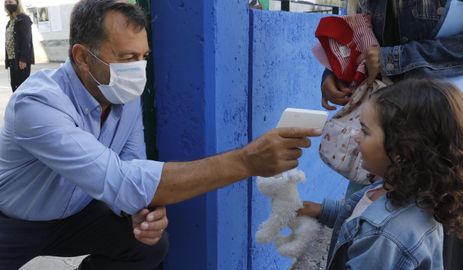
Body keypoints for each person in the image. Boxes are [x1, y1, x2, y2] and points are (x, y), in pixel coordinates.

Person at [0, 0, 321, 269]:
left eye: (143, 58)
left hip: (78, 215)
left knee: (148, 245)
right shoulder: (37, 103)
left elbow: (132, 164)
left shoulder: (121, 94)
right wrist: (248, 161)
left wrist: (142, 211)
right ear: (82, 57)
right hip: (14, 221)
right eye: (127, 58)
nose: (137, 70)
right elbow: (122, 179)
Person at [319, 2, 463, 268]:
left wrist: (398, 58)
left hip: (447, 123)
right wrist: (337, 72)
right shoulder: (373, 193)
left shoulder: (394, 234)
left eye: (363, 132)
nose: (355, 139)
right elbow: (364, 32)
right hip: (390, 122)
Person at [299, 78, 463, 269]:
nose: (355, 136)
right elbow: (360, 215)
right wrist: (319, 210)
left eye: (365, 131)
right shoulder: (398, 186)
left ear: (400, 151)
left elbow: (371, 228)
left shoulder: (385, 238)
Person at [4, 0, 34, 92]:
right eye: (6, 2)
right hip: (12, 60)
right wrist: (8, 60)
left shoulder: (24, 19)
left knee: (22, 88)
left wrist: (23, 59)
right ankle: (17, 106)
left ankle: (25, 106)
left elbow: (26, 40)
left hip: (20, 60)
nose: (8, 4)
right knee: (15, 88)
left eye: (10, 1)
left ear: (17, 3)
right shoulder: (10, 22)